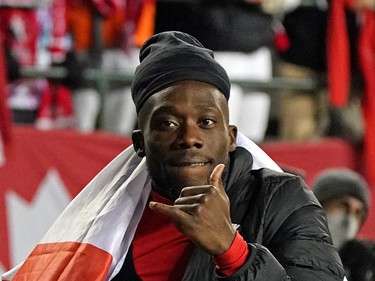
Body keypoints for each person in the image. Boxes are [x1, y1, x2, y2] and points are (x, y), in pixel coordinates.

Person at [2, 31, 344, 280]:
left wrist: (231, 250)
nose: (189, 138)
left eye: (207, 121)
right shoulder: (108, 225)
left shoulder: (283, 201)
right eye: (167, 123)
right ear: (139, 143)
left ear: (230, 137)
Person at [313, 168, 374, 281]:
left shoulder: (363, 261)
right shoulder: (286, 247)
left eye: (358, 213)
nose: (349, 219)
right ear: (319, 206)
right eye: (343, 206)